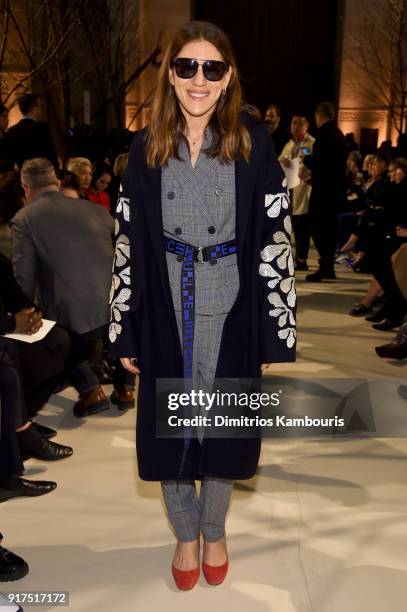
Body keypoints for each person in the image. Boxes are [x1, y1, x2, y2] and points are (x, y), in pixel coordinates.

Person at [109, 20, 296, 590]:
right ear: (170, 74)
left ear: (227, 77)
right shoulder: (145, 146)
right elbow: (126, 242)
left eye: (211, 68)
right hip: (166, 306)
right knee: (171, 434)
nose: (198, 78)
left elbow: (275, 237)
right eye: (187, 66)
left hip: (232, 305)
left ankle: (214, 530)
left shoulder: (252, 141)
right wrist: (126, 328)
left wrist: (271, 329)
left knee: (222, 432)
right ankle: (186, 536)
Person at [11, 158, 134, 416]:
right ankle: (125, 390)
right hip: (119, 303)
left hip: (76, 314)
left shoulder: (24, 219)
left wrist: (22, 314)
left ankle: (91, 391)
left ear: (26, 188)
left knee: (52, 322)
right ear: (57, 182)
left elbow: (24, 278)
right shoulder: (94, 209)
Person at [303, 101, 347, 281]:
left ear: (319, 116)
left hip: (323, 194)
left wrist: (307, 160)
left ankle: (326, 267)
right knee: (329, 231)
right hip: (335, 192)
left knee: (318, 229)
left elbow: (321, 164)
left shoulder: (323, 136)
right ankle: (328, 267)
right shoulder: (339, 135)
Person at [279, 114, 315, 270]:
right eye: (293, 123)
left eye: (299, 123)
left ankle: (302, 259)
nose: (295, 126)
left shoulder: (312, 143)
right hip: (289, 189)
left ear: (306, 126)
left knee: (302, 226)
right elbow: (280, 159)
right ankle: (291, 256)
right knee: (290, 225)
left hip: (303, 189)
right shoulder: (289, 144)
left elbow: (315, 162)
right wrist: (283, 160)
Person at [0, 93, 57, 168]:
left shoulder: (11, 131)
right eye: (41, 106)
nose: (42, 110)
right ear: (35, 107)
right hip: (42, 176)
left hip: (22, 177)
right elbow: (51, 158)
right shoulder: (41, 129)